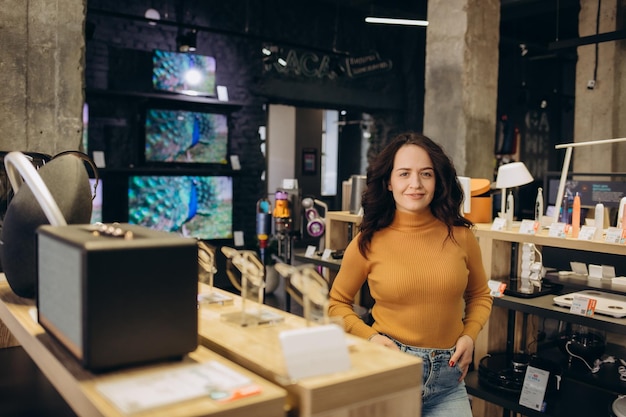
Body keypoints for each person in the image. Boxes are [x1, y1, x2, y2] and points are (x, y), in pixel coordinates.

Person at [328, 132, 493, 417]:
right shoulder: (368, 241)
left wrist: (470, 335)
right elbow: (335, 305)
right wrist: (370, 338)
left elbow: (480, 294)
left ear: (437, 180)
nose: (415, 184)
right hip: (389, 372)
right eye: (404, 174)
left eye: (426, 174)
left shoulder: (461, 236)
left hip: (449, 380)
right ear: (389, 182)